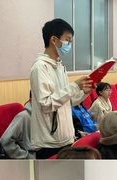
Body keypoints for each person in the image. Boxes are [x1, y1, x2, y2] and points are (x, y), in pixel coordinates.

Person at [30, 18, 92, 158]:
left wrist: (84, 92)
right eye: (67, 40)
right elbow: (46, 104)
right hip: (49, 143)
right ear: (54, 40)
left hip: (66, 138)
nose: (69, 45)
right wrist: (74, 86)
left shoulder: (59, 66)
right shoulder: (40, 67)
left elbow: (67, 101)